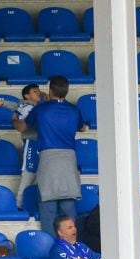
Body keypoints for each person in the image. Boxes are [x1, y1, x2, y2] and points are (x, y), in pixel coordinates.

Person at [13, 75, 83, 237]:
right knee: (68, 205)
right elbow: (83, 128)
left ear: (50, 90)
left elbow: (22, 127)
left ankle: (51, 249)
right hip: (68, 159)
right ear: (66, 91)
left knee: (48, 207)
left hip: (48, 158)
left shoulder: (41, 109)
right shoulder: (74, 110)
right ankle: (71, 249)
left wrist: (14, 119)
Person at [0, 83, 42, 210]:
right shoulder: (23, 104)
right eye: (35, 91)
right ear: (27, 95)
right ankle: (19, 204)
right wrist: (2, 103)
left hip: (42, 142)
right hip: (31, 141)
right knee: (29, 172)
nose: (38, 93)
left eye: (39, 91)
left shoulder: (41, 106)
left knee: (40, 174)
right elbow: (14, 105)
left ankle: (32, 203)